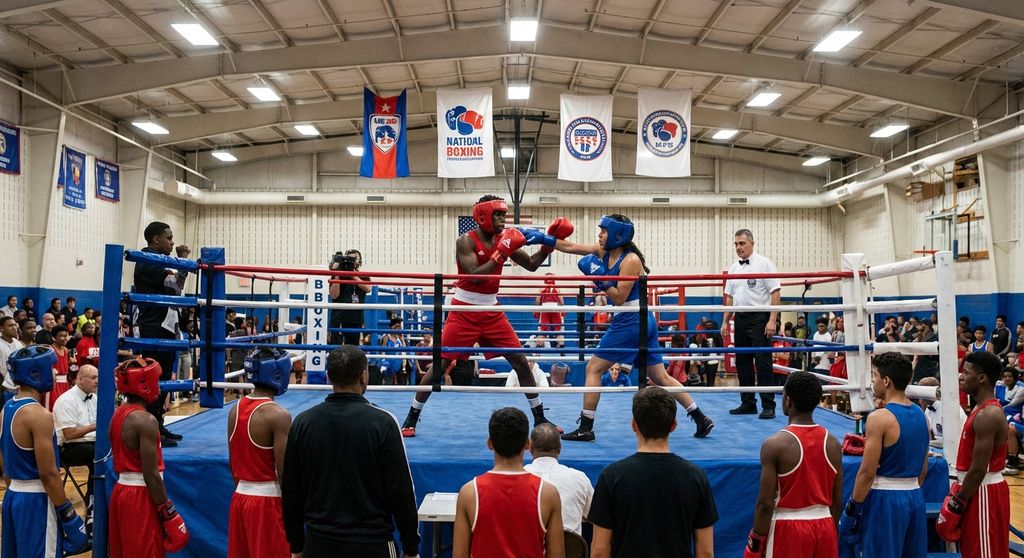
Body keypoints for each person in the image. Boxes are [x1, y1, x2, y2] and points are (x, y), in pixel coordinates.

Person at [521, 213, 713, 441]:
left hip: (630, 318)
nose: (599, 235)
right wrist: (544, 239)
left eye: (603, 231)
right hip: (640, 319)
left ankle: (586, 426)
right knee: (660, 377)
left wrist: (601, 279)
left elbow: (620, 297)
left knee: (593, 368)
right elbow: (571, 245)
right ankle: (700, 417)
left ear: (617, 235)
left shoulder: (630, 260)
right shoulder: (605, 252)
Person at [400, 196, 565, 437]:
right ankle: (411, 417)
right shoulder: (465, 241)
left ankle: (540, 418)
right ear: (483, 216)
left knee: (519, 360)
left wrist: (546, 246)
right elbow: (475, 275)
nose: (502, 219)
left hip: (491, 310)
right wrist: (501, 252)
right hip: (464, 309)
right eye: (497, 215)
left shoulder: (503, 239)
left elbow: (530, 264)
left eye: (503, 215)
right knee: (441, 364)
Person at [282, 346, 419, 558]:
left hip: (319, 544)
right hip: (371, 544)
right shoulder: (383, 423)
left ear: (328, 377)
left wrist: (297, 546)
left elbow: (291, 490)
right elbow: (401, 491)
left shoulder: (303, 423)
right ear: (364, 375)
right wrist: (411, 548)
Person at [589, 387, 717, 558]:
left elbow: (599, 551)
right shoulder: (695, 477)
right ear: (674, 426)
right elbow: (706, 552)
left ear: (634, 425)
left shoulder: (611, 477)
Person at [0, 347, 90, 557]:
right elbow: (48, 474)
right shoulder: (40, 415)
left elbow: (3, 460)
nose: (54, 372)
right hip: (37, 500)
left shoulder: (6, 408)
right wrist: (68, 514)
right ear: (35, 373)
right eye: (51, 367)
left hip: (13, 494)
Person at [838, 352, 929, 558]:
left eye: (874, 375)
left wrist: (851, 511)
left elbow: (867, 473)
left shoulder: (879, 418)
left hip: (885, 500)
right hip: (915, 496)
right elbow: (923, 470)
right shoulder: (922, 415)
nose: (872, 380)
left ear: (886, 381)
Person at [746, 371, 842, 558]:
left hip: (789, 528)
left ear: (788, 401)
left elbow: (765, 504)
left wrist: (755, 543)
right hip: (825, 525)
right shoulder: (833, 443)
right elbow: (836, 501)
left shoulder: (775, 445)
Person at [453, 408, 565, 558]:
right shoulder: (548, 493)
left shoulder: (469, 493)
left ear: (489, 443)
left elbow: (459, 555)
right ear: (528, 444)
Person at [108, 357, 189, 557]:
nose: (159, 386)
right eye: (155, 380)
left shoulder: (118, 413)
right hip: (140, 496)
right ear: (143, 383)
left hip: (121, 492)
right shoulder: (145, 420)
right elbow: (151, 474)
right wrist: (168, 513)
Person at [935, 351, 1010, 557]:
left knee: (984, 552)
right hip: (976, 489)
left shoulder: (989, 414)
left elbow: (978, 470)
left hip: (983, 490)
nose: (961, 376)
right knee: (972, 550)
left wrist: (956, 502)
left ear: (982, 378)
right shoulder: (979, 408)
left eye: (965, 372)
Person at [228, 348, 293, 558]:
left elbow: (233, 465)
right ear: (277, 373)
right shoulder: (278, 415)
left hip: (239, 500)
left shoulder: (234, 409)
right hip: (267, 504)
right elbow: (284, 473)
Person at [133, 221, 191, 447]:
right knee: (154, 379)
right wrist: (184, 260)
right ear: (156, 239)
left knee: (163, 379)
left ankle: (157, 424)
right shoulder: (148, 260)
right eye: (169, 237)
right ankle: (150, 430)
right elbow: (176, 284)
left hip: (164, 325)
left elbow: (174, 287)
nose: (172, 242)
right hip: (153, 327)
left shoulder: (158, 261)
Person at [722, 229, 782, 419]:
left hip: (759, 317)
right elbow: (729, 297)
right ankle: (748, 403)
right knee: (743, 362)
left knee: (763, 362)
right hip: (740, 318)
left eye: (742, 243)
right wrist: (725, 320)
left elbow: (775, 293)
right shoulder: (733, 268)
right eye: (736, 244)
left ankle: (768, 405)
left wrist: (772, 319)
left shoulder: (765, 264)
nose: (738, 247)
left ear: (752, 243)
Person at [525, 423, 594, 536]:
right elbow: (597, 517)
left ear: (530, 448)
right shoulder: (579, 478)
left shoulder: (516, 479)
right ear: (559, 449)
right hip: (571, 550)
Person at [53, 363, 99, 526]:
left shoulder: (95, 398)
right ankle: (93, 504)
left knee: (106, 452)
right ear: (79, 379)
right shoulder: (66, 400)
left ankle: (98, 499)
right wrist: (95, 426)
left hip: (89, 444)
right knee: (98, 454)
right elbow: (69, 434)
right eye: (93, 378)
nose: (97, 381)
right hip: (68, 448)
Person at [328, 249, 371, 346]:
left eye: (354, 259)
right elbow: (334, 295)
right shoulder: (337, 276)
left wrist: (353, 275)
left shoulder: (364, 276)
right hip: (339, 318)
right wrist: (338, 273)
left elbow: (368, 288)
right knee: (335, 349)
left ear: (359, 261)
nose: (352, 261)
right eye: (349, 258)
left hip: (355, 319)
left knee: (353, 349)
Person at [377, 317, 407, 386]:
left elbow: (404, 349)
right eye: (396, 326)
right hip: (388, 362)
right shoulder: (386, 336)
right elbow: (383, 350)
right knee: (389, 376)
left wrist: (402, 340)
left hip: (398, 362)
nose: (398, 328)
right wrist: (383, 361)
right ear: (391, 327)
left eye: (399, 327)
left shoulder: (400, 337)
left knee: (401, 380)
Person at [0, 316, 26, 391]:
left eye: (15, 325)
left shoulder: (17, 343)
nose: (14, 327)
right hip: (4, 387)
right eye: (10, 325)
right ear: (1, 328)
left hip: (18, 384)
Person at [50, 327, 73, 410]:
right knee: (54, 408)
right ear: (54, 338)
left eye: (66, 335)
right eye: (61, 336)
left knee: (65, 409)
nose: (65, 338)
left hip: (65, 384)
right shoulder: (50, 350)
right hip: (54, 385)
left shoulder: (66, 350)